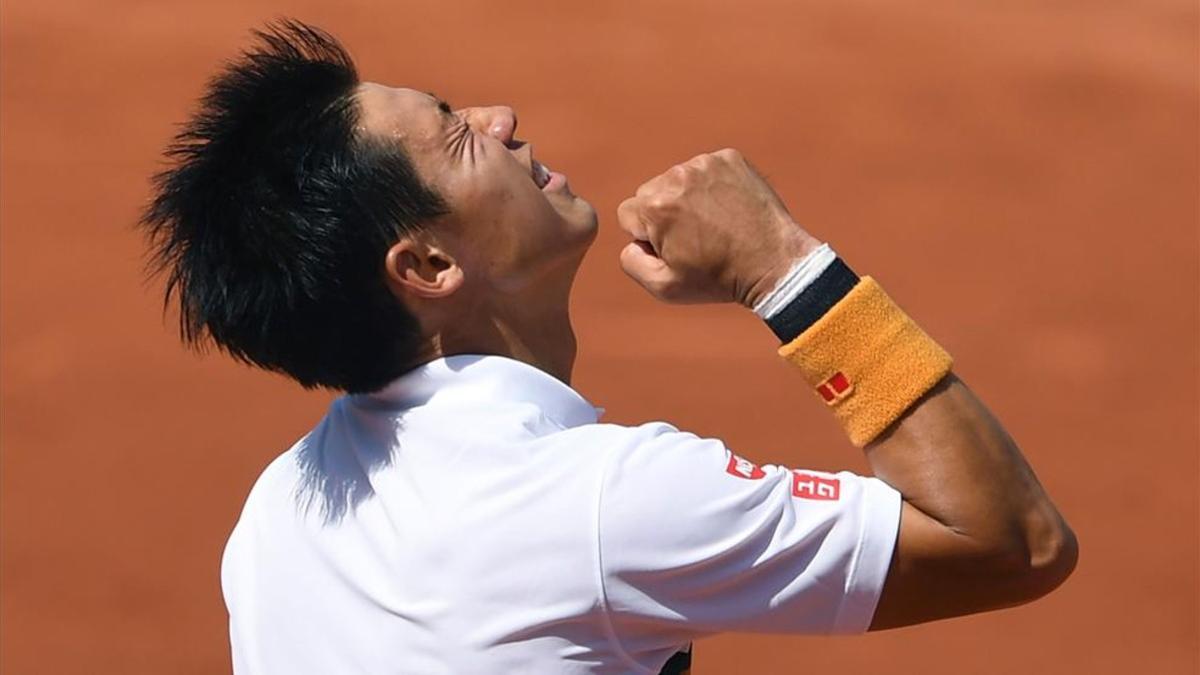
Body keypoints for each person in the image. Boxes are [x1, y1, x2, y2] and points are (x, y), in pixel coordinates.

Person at [141, 19, 1077, 675]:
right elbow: (1010, 540)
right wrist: (785, 272)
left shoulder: (273, 516)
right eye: (456, 133)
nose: (501, 116)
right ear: (426, 263)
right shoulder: (597, 502)